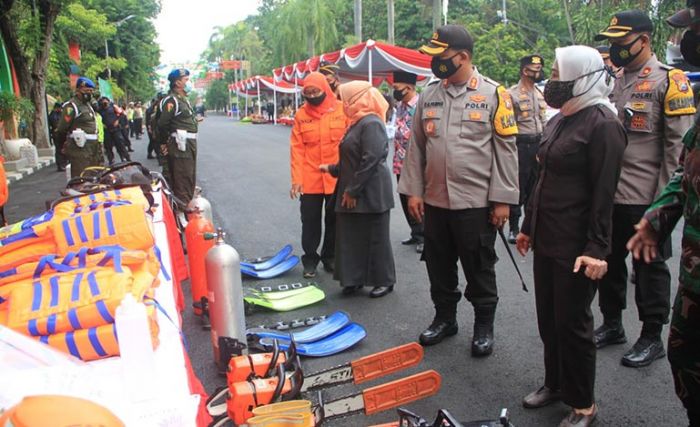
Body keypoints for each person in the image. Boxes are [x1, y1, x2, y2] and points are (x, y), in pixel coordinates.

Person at [516, 45, 627, 427]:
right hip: (547, 236)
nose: (555, 82)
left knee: (573, 324)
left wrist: (598, 249)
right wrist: (528, 226)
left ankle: (583, 404)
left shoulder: (604, 124)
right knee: (548, 319)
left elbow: (604, 195)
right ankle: (556, 383)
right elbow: (542, 180)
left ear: (584, 77)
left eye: (562, 75)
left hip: (577, 246)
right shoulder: (562, 118)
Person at [398, 25, 519, 357]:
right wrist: (414, 192)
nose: (435, 63)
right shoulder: (429, 94)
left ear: (462, 57)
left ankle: (483, 325)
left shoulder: (495, 95)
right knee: (438, 264)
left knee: (479, 266)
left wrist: (502, 201)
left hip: (475, 203)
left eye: (441, 57)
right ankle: (445, 318)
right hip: (435, 201)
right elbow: (417, 148)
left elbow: (506, 152)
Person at [593, 10, 696, 368]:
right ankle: (612, 324)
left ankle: (652, 335)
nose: (616, 49)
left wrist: (661, 209)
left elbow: (676, 150)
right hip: (611, 194)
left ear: (644, 40)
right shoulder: (614, 80)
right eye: (613, 43)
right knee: (607, 261)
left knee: (649, 267)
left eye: (622, 43)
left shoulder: (670, 81)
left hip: (646, 197)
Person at [627, 2, 700, 424]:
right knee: (686, 361)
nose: (685, 41)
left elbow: (670, 146)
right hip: (695, 275)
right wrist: (658, 217)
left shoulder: (668, 82)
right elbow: (686, 162)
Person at [320, 81, 396, 298]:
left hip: (370, 191)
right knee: (351, 237)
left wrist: (352, 191)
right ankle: (354, 279)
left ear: (357, 99)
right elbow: (351, 157)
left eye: (345, 99)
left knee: (376, 237)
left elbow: (370, 160)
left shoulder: (371, 123)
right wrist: (332, 169)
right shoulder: (356, 122)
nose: (342, 103)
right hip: (353, 187)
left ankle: (384, 280)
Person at [289, 72, 347, 278]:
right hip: (310, 177)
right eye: (308, 93)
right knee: (310, 221)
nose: (313, 96)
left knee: (335, 220)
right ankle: (310, 259)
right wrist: (296, 180)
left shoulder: (342, 110)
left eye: (316, 91)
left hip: (335, 176)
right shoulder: (301, 115)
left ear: (326, 89)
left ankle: (330, 257)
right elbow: (297, 149)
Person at [507, 54, 548, 244]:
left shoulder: (540, 93)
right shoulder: (512, 94)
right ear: (525, 71)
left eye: (539, 69)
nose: (538, 72)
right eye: (535, 69)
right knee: (519, 187)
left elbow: (544, 119)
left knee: (535, 188)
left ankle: (530, 227)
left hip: (538, 143)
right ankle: (513, 228)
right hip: (521, 144)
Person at [391, 71, 424, 253]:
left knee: (417, 199)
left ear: (409, 87)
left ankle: (424, 236)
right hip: (399, 161)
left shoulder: (420, 105)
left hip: (415, 163)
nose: (394, 91)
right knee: (404, 199)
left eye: (397, 88)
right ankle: (415, 232)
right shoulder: (400, 106)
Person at [157, 68, 200, 205]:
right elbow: (162, 124)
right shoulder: (172, 100)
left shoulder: (183, 99)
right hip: (180, 144)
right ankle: (182, 209)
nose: (188, 82)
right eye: (186, 80)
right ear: (177, 83)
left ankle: (185, 202)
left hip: (188, 143)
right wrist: (163, 143)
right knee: (182, 176)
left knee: (189, 174)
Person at [54, 77, 102, 178]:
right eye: (86, 91)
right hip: (80, 148)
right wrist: (64, 146)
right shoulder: (72, 106)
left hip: (93, 147)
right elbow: (62, 129)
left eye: (91, 91)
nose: (89, 93)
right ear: (78, 90)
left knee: (95, 175)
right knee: (82, 177)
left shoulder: (88, 105)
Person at [98, 97, 130, 165]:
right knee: (108, 146)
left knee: (120, 144)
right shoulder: (100, 109)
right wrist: (102, 124)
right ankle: (111, 160)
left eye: (105, 101)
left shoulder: (113, 106)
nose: (105, 103)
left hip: (116, 129)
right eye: (103, 102)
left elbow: (122, 114)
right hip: (107, 130)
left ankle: (126, 158)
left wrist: (117, 121)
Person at [48, 102, 66, 172]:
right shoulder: (53, 115)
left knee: (63, 149)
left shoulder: (59, 114)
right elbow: (56, 124)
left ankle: (63, 163)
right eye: (59, 108)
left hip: (61, 134)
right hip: (57, 135)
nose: (60, 110)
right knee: (59, 150)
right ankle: (60, 165)